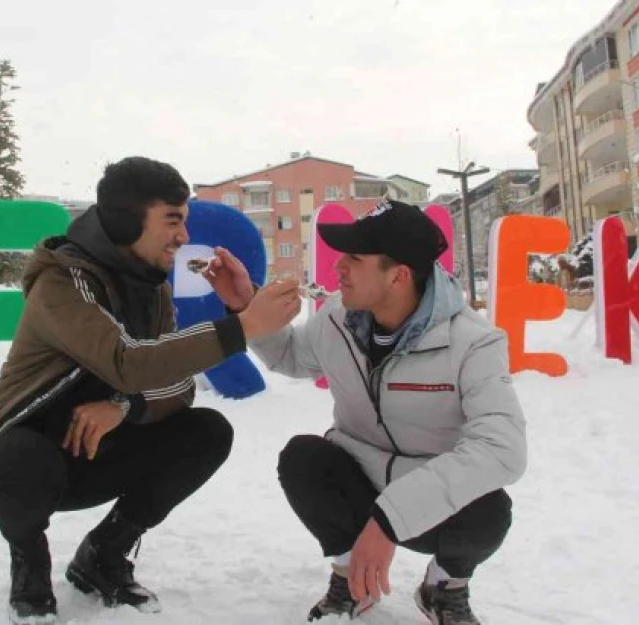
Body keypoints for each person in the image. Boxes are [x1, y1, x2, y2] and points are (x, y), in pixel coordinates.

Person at [0, 156, 301, 624]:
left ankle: (102, 554)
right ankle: (30, 570)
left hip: (97, 450)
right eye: (172, 221)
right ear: (125, 222)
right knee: (19, 457)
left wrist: (123, 407)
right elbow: (127, 360)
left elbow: (176, 383)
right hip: (25, 461)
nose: (183, 236)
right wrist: (240, 328)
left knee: (206, 431)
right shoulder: (62, 280)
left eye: (186, 220)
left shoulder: (151, 283)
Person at [201, 199, 527, 624]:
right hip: (359, 473)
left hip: (429, 495)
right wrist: (246, 305)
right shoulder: (339, 317)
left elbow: (503, 449)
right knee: (304, 458)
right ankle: (350, 577)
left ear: (399, 275)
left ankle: (444, 586)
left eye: (355, 258)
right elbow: (293, 358)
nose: (339, 267)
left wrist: (391, 518)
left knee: (490, 510)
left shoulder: (473, 341)